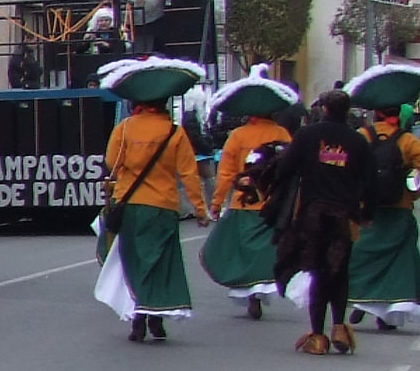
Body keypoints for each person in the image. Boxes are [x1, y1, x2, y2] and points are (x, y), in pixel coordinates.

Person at [99, 82, 208, 345]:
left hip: (131, 205)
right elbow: (189, 174)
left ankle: (138, 314)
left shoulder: (125, 128)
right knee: (160, 261)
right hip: (163, 205)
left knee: (134, 260)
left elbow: (112, 163)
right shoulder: (175, 132)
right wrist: (200, 209)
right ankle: (156, 314)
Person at [273, 90, 373, 355]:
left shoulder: (307, 135)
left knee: (317, 270)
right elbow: (369, 180)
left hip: (312, 214)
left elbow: (285, 168)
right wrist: (366, 214)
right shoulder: (358, 141)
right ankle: (339, 326)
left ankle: (317, 335)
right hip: (344, 215)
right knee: (339, 270)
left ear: (325, 109)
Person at [203, 84, 295, 316]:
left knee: (243, 251)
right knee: (267, 249)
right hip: (273, 202)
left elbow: (226, 173)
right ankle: (262, 286)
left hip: (243, 201)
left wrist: (216, 202)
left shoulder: (238, 136)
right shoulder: (282, 134)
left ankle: (250, 291)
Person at [347, 110, 420, 332]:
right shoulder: (409, 141)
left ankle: (360, 300)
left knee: (360, 256)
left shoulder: (361, 136)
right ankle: (387, 313)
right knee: (397, 263)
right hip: (398, 209)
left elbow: (344, 166)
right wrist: (411, 196)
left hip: (366, 209)